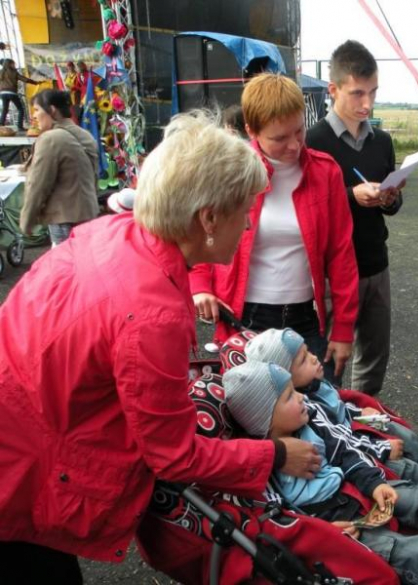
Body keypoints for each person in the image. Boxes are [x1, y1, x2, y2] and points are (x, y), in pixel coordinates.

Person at [0, 111, 322, 584]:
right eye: (245, 212)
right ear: (209, 218)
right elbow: (174, 456)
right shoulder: (152, 313)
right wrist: (274, 455)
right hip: (20, 477)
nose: (250, 225)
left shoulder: (113, 232)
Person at [223, 359, 418, 585]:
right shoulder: (261, 469)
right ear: (264, 418)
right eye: (288, 397)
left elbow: (346, 452)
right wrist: (327, 533)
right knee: (399, 549)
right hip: (335, 526)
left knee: (411, 497)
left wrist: (375, 485)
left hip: (354, 491)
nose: (300, 397)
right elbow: (281, 517)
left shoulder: (309, 421)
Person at [191, 74, 358, 384]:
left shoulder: (325, 172)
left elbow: (342, 255)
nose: (294, 145)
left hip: (306, 318)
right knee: (250, 414)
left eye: (299, 131)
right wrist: (200, 285)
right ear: (251, 131)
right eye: (280, 138)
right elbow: (202, 234)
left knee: (314, 407)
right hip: (245, 317)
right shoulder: (230, 172)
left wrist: (344, 328)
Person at [247, 328, 418, 477]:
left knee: (391, 426)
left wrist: (361, 412)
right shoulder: (304, 404)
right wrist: (378, 443)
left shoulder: (315, 385)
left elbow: (340, 406)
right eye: (303, 361)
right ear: (286, 374)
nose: (314, 358)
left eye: (309, 352)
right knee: (396, 454)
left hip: (353, 426)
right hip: (355, 445)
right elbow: (337, 440)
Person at [306, 40, 403, 395]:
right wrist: (350, 196)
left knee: (375, 358)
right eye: (357, 93)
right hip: (333, 273)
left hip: (376, 262)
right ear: (333, 90)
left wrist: (391, 198)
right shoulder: (312, 142)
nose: (368, 104)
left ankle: (364, 422)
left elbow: (392, 207)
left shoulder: (382, 142)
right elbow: (309, 208)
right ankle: (330, 426)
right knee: (329, 361)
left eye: (373, 92)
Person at [19, 89, 99, 246]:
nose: (34, 116)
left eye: (36, 110)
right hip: (87, 213)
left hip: (64, 218)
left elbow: (38, 183)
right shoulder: (84, 135)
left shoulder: (51, 138)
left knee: (64, 265)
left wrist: (27, 220)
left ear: (52, 110)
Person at [0, 59, 43, 131]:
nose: (14, 65)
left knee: (5, 109)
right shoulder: (14, 72)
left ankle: (1, 125)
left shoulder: (1, 72)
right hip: (12, 92)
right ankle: (19, 126)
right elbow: (25, 79)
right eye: (13, 64)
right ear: (10, 64)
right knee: (20, 109)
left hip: (2, 93)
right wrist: (36, 83)